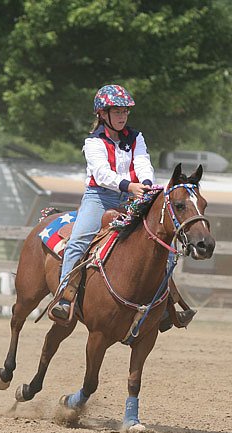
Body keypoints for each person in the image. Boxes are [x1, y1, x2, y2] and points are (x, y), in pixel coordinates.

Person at [50, 84, 195, 330]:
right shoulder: (93, 142)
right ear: (103, 114)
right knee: (79, 240)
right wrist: (130, 186)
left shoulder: (136, 137)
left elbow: (143, 162)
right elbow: (102, 174)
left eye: (125, 112)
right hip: (100, 197)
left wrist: (146, 185)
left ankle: (165, 304)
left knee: (164, 245)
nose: (122, 116)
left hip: (133, 195)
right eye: (117, 112)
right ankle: (65, 297)